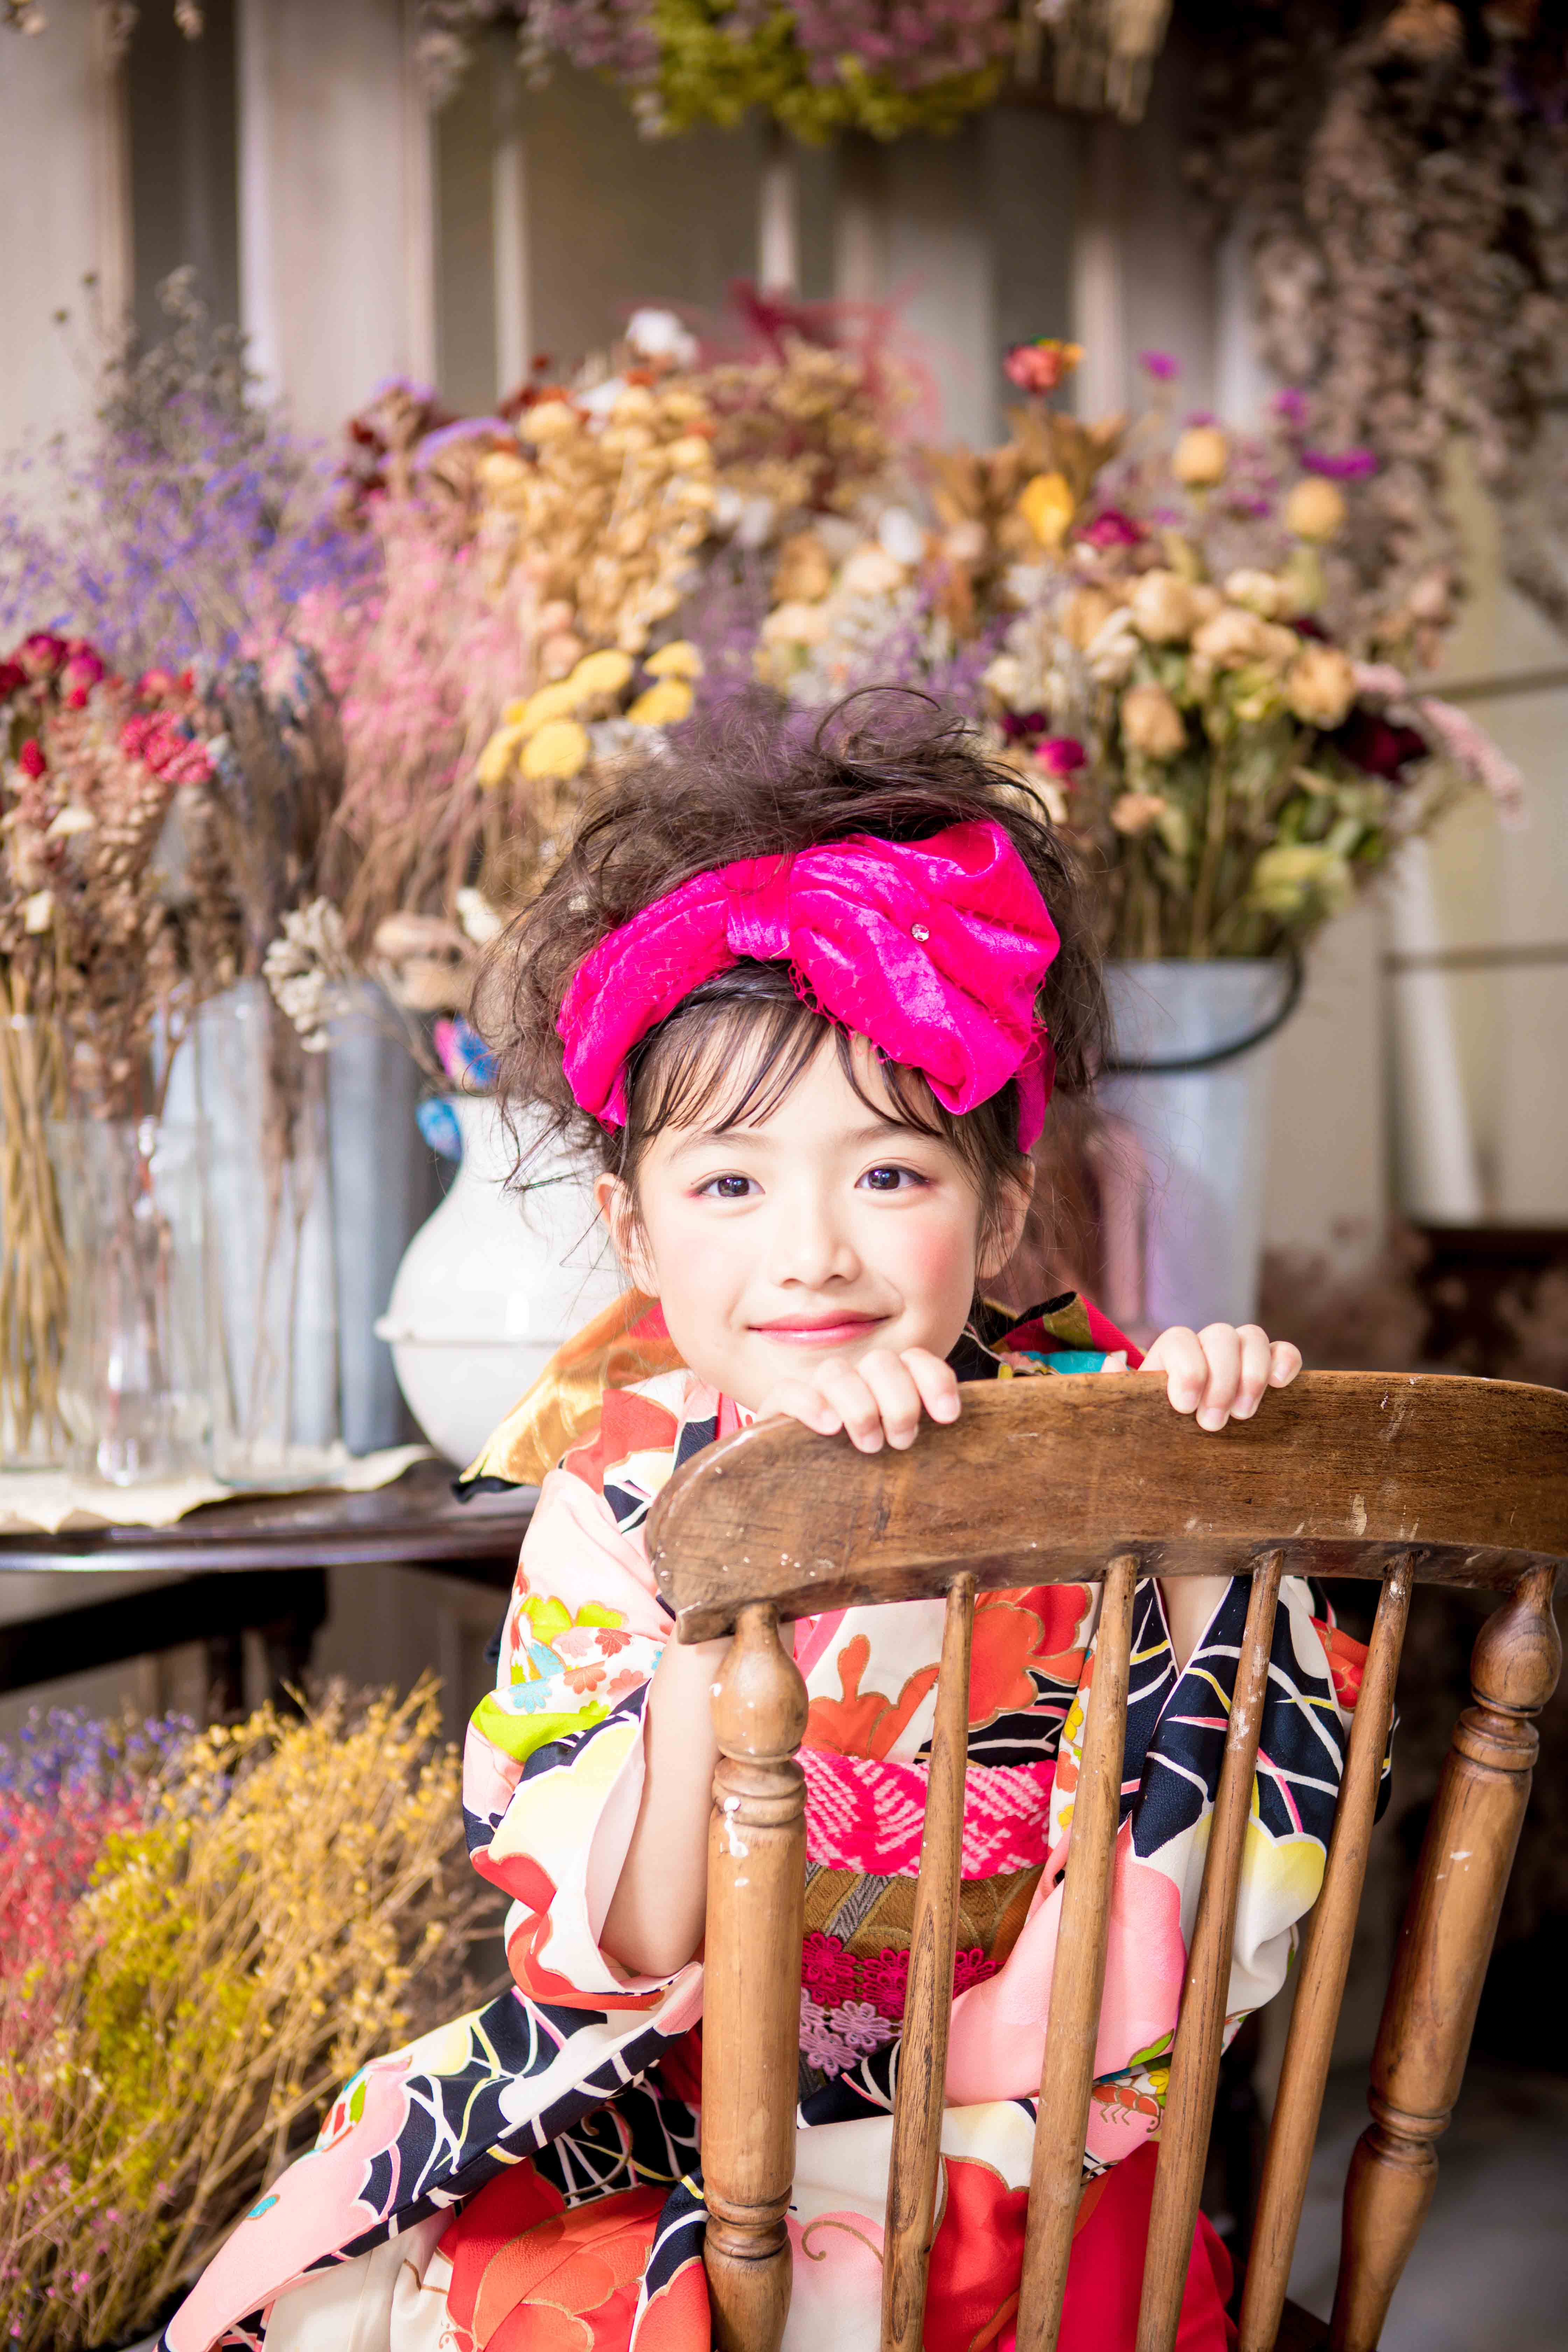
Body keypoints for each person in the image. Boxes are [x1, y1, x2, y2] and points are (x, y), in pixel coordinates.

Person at [165, 695, 1375, 2352]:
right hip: (686, 2107)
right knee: (394, 2287)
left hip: (1030, 2128)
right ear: (633, 1230)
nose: (811, 1251)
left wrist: (1217, 1479)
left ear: (999, 1209)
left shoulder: (1102, 1437)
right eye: (729, 1184)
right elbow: (628, 1941)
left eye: (889, 1175)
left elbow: (1238, 1823)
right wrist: (734, 1598)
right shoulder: (620, 1482)